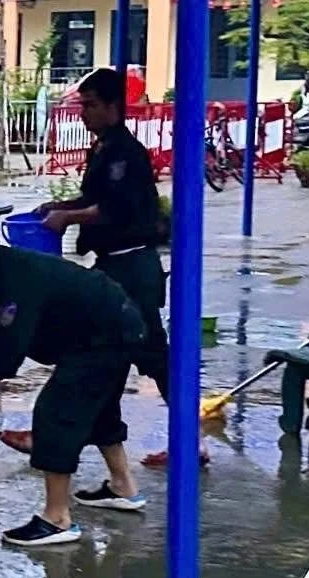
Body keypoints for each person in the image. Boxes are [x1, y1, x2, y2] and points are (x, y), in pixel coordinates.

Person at [0, 206, 147, 547]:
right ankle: (123, 487)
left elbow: (5, 359)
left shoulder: (16, 279)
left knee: (56, 412)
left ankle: (57, 518)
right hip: (96, 333)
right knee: (97, 407)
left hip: (109, 331)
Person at [37, 67, 189, 469]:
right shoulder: (103, 148)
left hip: (132, 265)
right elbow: (92, 197)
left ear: (113, 107)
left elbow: (113, 209)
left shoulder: (126, 153)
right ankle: (99, 447)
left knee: (152, 355)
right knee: (106, 354)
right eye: (81, 105)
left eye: (90, 105)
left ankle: (189, 440)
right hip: (112, 265)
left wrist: (68, 220)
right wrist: (59, 207)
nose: (83, 113)